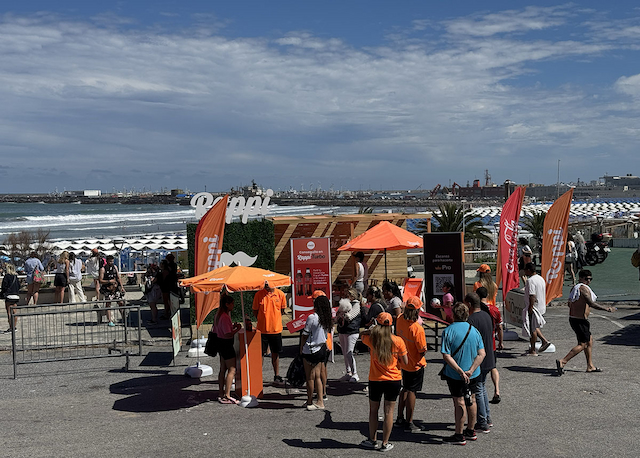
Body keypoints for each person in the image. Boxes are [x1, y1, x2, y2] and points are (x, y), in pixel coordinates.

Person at [359, 312, 408, 451]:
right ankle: (385, 442)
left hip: (375, 379)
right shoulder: (398, 341)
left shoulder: (373, 339)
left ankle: (372, 439)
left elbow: (362, 334)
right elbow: (405, 362)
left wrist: (371, 329)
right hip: (393, 379)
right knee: (389, 411)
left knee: (373, 411)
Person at [441, 302, 485, 445]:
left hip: (455, 374)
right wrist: (471, 370)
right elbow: (481, 354)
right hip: (473, 373)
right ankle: (470, 430)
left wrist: (460, 371)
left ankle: (459, 434)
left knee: (459, 401)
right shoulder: (474, 331)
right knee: (471, 399)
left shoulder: (448, 331)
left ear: (453, 315)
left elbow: (446, 355)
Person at [556, 270, 616, 375]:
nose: (589, 281)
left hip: (576, 319)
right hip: (579, 321)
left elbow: (570, 304)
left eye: (590, 279)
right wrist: (606, 309)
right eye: (587, 279)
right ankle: (563, 361)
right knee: (583, 344)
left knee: (589, 341)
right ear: (581, 278)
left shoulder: (574, 289)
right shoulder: (583, 289)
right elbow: (591, 303)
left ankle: (590, 366)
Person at [395, 296, 427, 433]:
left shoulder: (399, 320)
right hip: (415, 364)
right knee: (412, 391)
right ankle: (409, 421)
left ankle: (400, 417)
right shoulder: (417, 329)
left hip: (403, 361)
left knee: (405, 388)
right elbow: (422, 350)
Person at [465, 292, 495, 433]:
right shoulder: (486, 315)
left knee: (478, 389)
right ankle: (486, 417)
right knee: (482, 388)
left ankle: (482, 421)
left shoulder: (472, 320)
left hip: (479, 358)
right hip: (488, 356)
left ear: (469, 304)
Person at [300, 295, 332, 410]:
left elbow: (305, 335)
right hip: (322, 348)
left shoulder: (312, 317)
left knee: (310, 377)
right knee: (318, 376)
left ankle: (309, 401)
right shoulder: (326, 318)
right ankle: (320, 400)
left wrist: (301, 348)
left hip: (310, 349)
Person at [252, 281, 287, 383]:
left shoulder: (280, 294)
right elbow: (255, 310)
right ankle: (258, 375)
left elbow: (282, 309)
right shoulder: (259, 294)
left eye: (268, 285)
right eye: (265, 285)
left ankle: (276, 375)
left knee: (275, 353)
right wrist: (262, 319)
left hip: (276, 330)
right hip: (262, 330)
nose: (267, 287)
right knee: (260, 354)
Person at [476, 287, 503, 404]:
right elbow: (499, 327)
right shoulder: (494, 309)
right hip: (491, 343)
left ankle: (480, 390)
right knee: (493, 367)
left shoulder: (476, 310)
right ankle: (496, 389)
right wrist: (501, 342)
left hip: (480, 343)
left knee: (479, 370)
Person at [215, 294, 242, 404]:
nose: (233, 306)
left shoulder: (219, 315)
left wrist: (233, 327)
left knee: (223, 369)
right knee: (232, 369)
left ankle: (221, 392)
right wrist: (237, 329)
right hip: (226, 344)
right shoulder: (225, 317)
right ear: (227, 304)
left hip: (220, 343)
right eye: (232, 304)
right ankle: (227, 395)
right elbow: (227, 334)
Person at [522, 263, 551, 355]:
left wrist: (530, 307)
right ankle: (542, 342)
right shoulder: (541, 278)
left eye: (526, 270)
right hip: (541, 306)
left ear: (529, 270)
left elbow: (532, 295)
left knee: (532, 328)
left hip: (534, 307)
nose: (525, 272)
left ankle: (534, 349)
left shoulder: (530, 281)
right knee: (534, 326)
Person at [336, 288, 361, 382]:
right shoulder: (346, 304)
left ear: (352, 296)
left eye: (348, 295)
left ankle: (355, 374)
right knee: (344, 352)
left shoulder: (356, 305)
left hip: (352, 331)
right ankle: (348, 372)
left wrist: (344, 312)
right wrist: (339, 314)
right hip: (343, 330)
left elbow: (350, 317)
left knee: (349, 352)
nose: (346, 297)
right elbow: (337, 318)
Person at [99, 255, 126, 327]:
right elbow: (100, 280)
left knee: (121, 302)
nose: (111, 262)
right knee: (108, 304)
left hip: (115, 289)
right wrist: (109, 281)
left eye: (112, 261)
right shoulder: (103, 269)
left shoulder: (115, 267)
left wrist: (122, 287)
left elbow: (118, 277)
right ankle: (109, 320)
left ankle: (124, 318)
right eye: (110, 261)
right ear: (107, 261)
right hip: (107, 289)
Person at [2, 263, 21, 332]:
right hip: (16, 296)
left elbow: (4, 287)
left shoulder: (7, 277)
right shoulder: (16, 277)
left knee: (9, 313)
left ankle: (11, 327)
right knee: (15, 312)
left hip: (9, 296)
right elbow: (19, 286)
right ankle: (14, 326)